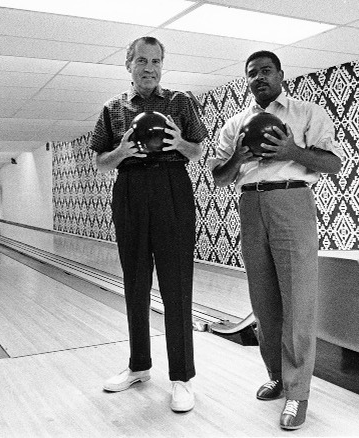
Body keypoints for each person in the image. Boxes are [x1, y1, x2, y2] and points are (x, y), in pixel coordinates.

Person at [208, 50, 344, 430]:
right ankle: (277, 376)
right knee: (264, 302)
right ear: (247, 80)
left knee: (298, 299)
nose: (259, 78)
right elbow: (219, 177)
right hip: (250, 205)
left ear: (281, 74)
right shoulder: (235, 124)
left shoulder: (307, 114)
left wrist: (291, 152)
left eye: (266, 71)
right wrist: (238, 156)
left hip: (292, 199)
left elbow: (332, 163)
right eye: (251, 73)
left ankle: (298, 394)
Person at [89, 36, 209, 413]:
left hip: (172, 187)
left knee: (176, 284)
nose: (150, 68)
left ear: (162, 65)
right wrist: (120, 152)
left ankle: (181, 378)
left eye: (156, 61)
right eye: (142, 60)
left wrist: (180, 144)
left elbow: (198, 149)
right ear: (129, 64)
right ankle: (139, 366)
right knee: (135, 282)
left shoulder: (180, 102)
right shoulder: (113, 108)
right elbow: (100, 161)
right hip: (130, 188)